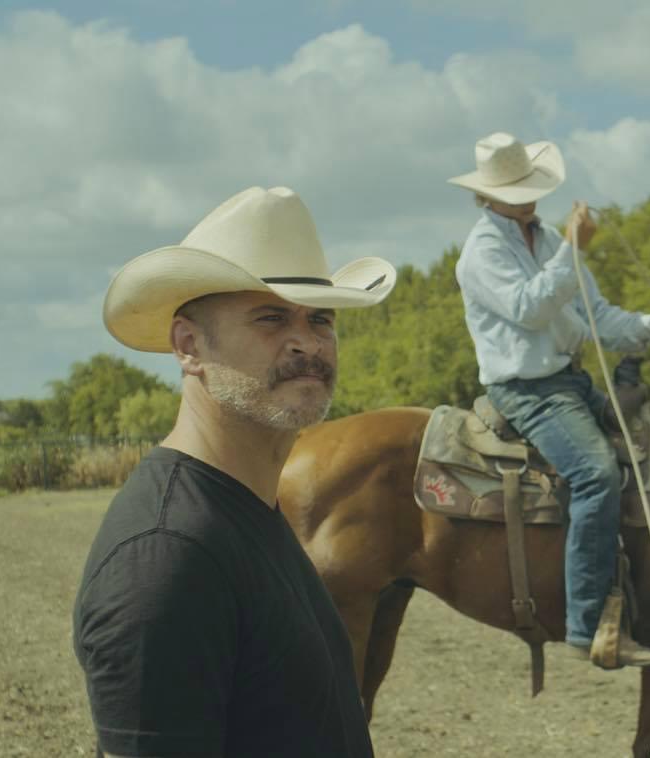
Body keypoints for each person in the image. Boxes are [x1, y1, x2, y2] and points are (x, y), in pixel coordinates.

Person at [74, 186, 396, 757]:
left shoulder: (245, 509)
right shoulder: (167, 559)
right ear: (188, 344)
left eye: (320, 319)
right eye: (270, 318)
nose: (306, 341)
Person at [448, 132, 650, 666]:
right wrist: (575, 250)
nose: (528, 196)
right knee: (596, 473)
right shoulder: (482, 252)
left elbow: (598, 317)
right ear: (487, 195)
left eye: (530, 185)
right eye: (515, 188)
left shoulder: (551, 241)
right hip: (525, 390)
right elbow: (530, 308)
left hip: (569, 382)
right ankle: (586, 625)